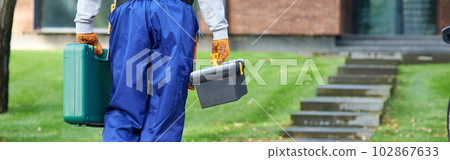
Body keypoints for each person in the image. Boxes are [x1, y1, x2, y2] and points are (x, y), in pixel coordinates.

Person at [74, 0, 230, 142]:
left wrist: (84, 24)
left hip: (131, 15)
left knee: (124, 103)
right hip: (174, 17)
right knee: (167, 107)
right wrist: (219, 30)